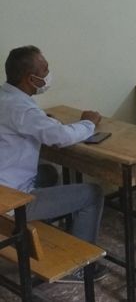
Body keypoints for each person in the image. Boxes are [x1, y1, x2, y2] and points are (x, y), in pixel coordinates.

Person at [0, 45, 106, 283]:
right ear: (30, 79)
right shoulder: (21, 109)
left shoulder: (5, 97)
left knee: (47, 173)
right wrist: (89, 123)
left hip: (3, 187)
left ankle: (39, 238)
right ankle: (79, 267)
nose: (48, 74)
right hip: (11, 201)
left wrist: (43, 121)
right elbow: (60, 138)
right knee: (92, 193)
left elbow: (27, 123)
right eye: (45, 70)